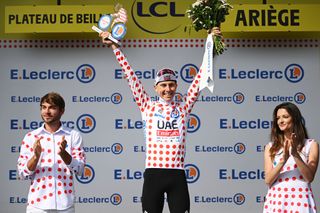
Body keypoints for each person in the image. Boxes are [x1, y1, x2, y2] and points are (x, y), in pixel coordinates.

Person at [100, 28, 221, 213]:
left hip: (177, 174)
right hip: (153, 173)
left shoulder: (184, 106)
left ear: (176, 86)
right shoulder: (147, 105)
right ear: (155, 88)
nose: (168, 89)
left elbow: (200, 78)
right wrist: (116, 48)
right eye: (163, 85)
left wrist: (211, 43)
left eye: (171, 84)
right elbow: (131, 77)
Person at [17, 92, 86, 213]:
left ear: (62, 111)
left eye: (52, 107)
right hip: (37, 206)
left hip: (65, 205)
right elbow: (22, 173)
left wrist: (63, 154)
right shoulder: (31, 137)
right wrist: (36, 157)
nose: (47, 112)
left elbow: (80, 169)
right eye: (44, 107)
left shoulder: (73, 136)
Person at [263, 102, 319, 212]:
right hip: (276, 200)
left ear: (295, 119)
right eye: (278, 118)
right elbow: (268, 180)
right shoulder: (270, 147)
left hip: (300, 199)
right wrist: (283, 160)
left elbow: (309, 177)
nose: (280, 121)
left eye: (285, 117)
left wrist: (295, 154)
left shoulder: (311, 145)